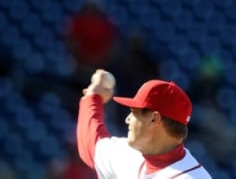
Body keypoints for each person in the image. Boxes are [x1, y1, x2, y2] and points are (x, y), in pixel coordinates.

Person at [77, 69, 212, 179]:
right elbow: (91, 143)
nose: (127, 119)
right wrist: (92, 97)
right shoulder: (131, 157)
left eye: (134, 112)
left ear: (154, 119)